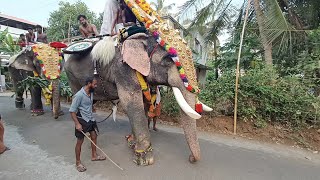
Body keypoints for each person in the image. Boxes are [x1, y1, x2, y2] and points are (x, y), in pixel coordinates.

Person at [69, 77, 106, 172]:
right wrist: (77, 124)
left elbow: (88, 103)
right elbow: (72, 111)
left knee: (94, 135)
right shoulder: (79, 95)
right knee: (80, 141)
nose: (96, 86)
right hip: (82, 120)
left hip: (90, 119)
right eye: (94, 84)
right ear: (89, 83)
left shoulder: (91, 92)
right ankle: (78, 163)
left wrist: (91, 107)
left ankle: (94, 156)